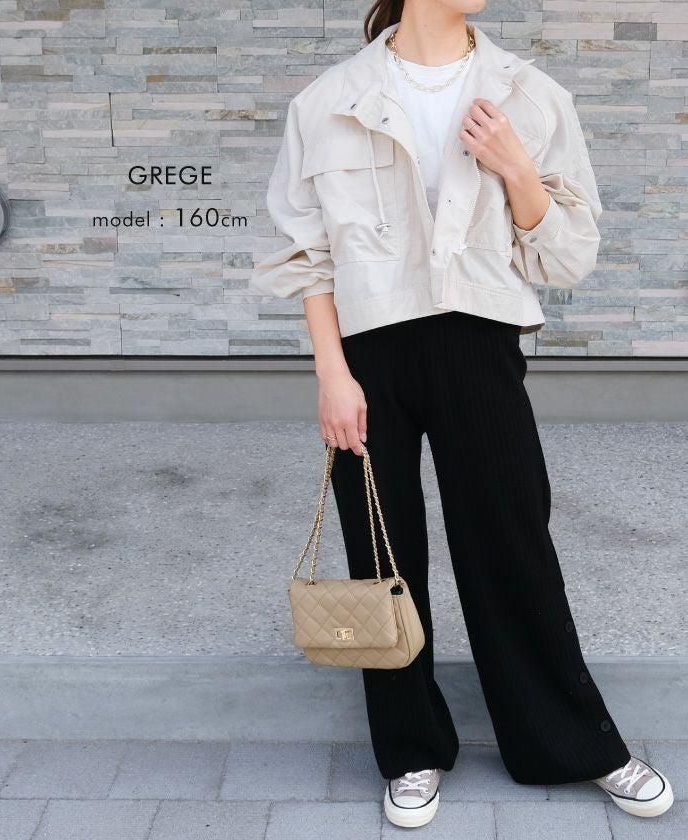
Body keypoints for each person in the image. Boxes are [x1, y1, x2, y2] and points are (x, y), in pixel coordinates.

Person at [249, 0, 675, 829]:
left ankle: (574, 744)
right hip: (367, 356)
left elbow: (568, 256)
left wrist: (517, 169)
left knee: (512, 542)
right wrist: (332, 375)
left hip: (479, 343)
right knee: (381, 552)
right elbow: (307, 254)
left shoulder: (531, 95)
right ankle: (410, 749)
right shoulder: (328, 101)